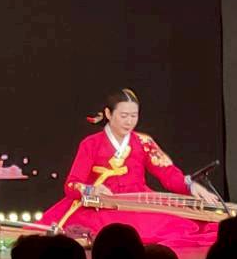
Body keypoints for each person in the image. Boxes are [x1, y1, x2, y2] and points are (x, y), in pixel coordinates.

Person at [37, 88, 219, 249]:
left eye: (134, 116)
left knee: (182, 226)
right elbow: (71, 184)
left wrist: (189, 186)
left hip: (138, 201)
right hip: (104, 204)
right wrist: (91, 190)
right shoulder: (90, 144)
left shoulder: (144, 142)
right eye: (124, 116)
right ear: (108, 114)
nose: (129, 121)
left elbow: (168, 173)